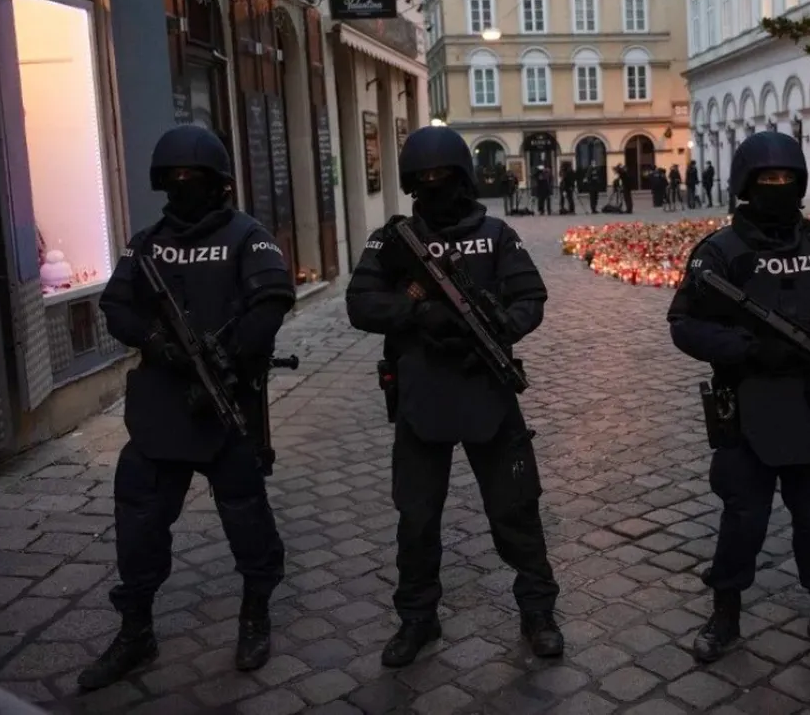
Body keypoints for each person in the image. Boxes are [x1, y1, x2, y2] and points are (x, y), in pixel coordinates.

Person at [81, 125, 294, 690]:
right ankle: (135, 631)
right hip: (161, 411)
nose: (183, 186)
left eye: (193, 178)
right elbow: (116, 305)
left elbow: (273, 300)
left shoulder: (248, 236)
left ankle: (255, 612)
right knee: (139, 524)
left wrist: (229, 351)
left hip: (227, 407)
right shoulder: (147, 242)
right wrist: (156, 343)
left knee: (247, 521)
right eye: (173, 180)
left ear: (218, 183)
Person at [345, 126, 564, 667]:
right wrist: (418, 313)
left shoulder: (495, 234)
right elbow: (360, 304)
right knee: (416, 519)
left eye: (444, 177)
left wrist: (497, 332)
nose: (436, 186)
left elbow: (530, 296)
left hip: (486, 391)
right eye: (425, 180)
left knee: (516, 511)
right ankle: (418, 618)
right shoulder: (394, 241)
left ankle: (537, 610)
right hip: (422, 398)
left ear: (464, 178)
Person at [666, 131, 810, 665]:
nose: (778, 188)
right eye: (767, 180)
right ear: (745, 185)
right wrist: (749, 350)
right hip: (748, 408)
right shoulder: (720, 252)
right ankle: (726, 611)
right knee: (743, 521)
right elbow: (684, 323)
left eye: (787, 179)